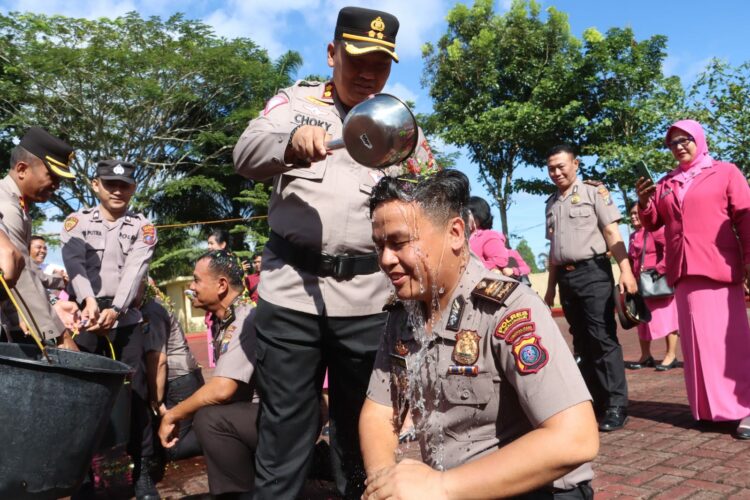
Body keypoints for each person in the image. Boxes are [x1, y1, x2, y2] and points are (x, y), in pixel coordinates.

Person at [232, 6, 437, 498]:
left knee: (362, 434)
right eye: (358, 59)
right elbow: (245, 153)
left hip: (369, 302)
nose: (369, 73)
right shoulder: (294, 104)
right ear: (332, 53)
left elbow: (429, 197)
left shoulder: (397, 125)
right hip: (292, 297)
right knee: (285, 436)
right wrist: (290, 143)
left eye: (381, 64)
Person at [360, 170, 598, 499]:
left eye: (399, 242)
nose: (385, 259)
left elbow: (576, 438)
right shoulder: (405, 315)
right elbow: (379, 411)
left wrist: (441, 487)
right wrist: (384, 485)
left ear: (455, 233)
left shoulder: (507, 309)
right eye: (379, 246)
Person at [636, 119, 750, 439]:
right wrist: (644, 202)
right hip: (683, 272)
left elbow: (745, 215)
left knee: (730, 343)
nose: (680, 146)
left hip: (719, 267)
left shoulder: (725, 171)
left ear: (699, 139)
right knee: (698, 345)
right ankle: (709, 409)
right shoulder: (666, 182)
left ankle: (744, 408)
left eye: (685, 139)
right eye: (673, 142)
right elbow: (654, 220)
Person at [61, 160, 159, 499]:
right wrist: (89, 302)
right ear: (95, 185)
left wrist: (116, 309)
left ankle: (143, 470)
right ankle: (85, 475)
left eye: (125, 184)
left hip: (126, 320)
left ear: (133, 188)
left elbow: (135, 270)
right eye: (110, 183)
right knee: (84, 397)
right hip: (86, 319)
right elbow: (74, 264)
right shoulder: (76, 222)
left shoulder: (144, 227)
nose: (117, 190)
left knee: (135, 396)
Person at [544, 144, 637, 432]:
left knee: (602, 336)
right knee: (581, 340)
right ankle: (596, 400)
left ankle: (616, 403)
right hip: (566, 279)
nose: (557, 172)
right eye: (551, 168)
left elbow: (612, 233)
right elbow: (553, 251)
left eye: (561, 166)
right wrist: (549, 292)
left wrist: (626, 270)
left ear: (576, 164)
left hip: (593, 273)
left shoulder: (593, 193)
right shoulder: (551, 203)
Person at [159, 250, 258, 499]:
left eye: (196, 281)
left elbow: (222, 389)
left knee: (209, 418)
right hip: (265, 415)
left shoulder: (244, 320)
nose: (190, 288)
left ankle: (236, 494)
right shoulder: (227, 320)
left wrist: (172, 414)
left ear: (221, 285)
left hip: (285, 420)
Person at [0, 126, 78, 349]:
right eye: (51, 176)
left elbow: (31, 270)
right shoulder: (7, 206)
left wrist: (54, 303)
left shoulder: (19, 205)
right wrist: (60, 337)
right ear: (22, 169)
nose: (57, 185)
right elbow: (22, 275)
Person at [140, 279, 204, 462]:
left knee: (172, 447)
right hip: (184, 377)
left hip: (178, 380)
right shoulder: (152, 306)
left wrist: (156, 400)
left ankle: (222, 438)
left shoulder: (151, 311)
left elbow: (157, 359)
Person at [625, 204, 680, 371]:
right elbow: (630, 258)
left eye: (636, 213)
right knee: (641, 319)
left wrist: (660, 270)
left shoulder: (656, 230)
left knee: (666, 318)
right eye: (631, 213)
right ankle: (645, 355)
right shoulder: (634, 235)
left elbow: (669, 251)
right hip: (640, 283)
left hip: (657, 281)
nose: (633, 216)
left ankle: (671, 355)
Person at [466, 196, 512, 274]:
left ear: (478, 215)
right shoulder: (464, 236)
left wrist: (472, 267)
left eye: (466, 214)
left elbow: (500, 260)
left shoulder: (488, 236)